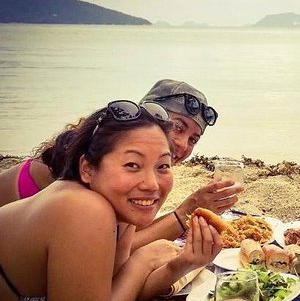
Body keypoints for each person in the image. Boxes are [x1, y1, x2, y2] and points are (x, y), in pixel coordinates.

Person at [0, 100, 224, 301]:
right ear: (87, 168)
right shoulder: (84, 207)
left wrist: (181, 265)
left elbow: (112, 292)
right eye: (132, 165)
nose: (151, 184)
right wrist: (141, 261)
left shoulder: (119, 210)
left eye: (162, 166)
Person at [0, 79, 242, 248]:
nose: (182, 144)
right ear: (148, 116)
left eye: (193, 139)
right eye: (177, 126)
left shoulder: (135, 168)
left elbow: (128, 234)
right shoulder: (96, 164)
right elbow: (115, 253)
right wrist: (186, 210)